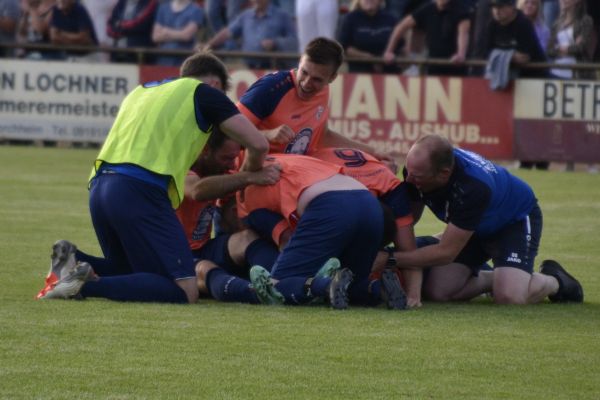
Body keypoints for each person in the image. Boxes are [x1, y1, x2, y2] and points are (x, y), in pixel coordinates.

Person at [37, 51, 269, 304]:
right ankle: (84, 285)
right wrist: (252, 176)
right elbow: (258, 144)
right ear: (215, 85)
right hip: (140, 188)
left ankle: (74, 259)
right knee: (185, 290)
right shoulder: (205, 94)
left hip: (100, 186)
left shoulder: (141, 92)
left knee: (129, 271)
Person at [386, 135, 584, 305]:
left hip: (513, 220)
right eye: (408, 172)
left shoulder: (472, 187)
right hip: (474, 227)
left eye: (417, 176)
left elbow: (446, 253)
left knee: (509, 297)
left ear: (444, 174)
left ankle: (555, 281)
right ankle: (497, 278)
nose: (409, 180)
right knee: (438, 292)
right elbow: (409, 220)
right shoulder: (416, 171)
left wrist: (389, 259)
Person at [239, 153, 407, 310]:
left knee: (277, 286)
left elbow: (287, 239)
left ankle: (326, 285)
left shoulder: (245, 200)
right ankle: (378, 288)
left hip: (330, 205)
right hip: (368, 201)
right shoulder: (285, 157)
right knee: (354, 282)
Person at [237, 36, 393, 164]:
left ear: (331, 78)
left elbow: (323, 136)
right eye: (304, 72)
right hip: (260, 169)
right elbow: (228, 133)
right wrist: (268, 134)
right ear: (300, 62)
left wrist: (373, 152)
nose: (306, 83)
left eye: (316, 79)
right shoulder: (271, 88)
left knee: (372, 168)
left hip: (299, 165)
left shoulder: (324, 90)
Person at [177, 131, 282, 304]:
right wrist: (250, 177)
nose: (232, 164)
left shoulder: (220, 171)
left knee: (247, 238)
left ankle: (287, 279)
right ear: (205, 150)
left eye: (234, 157)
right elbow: (196, 190)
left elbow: (232, 210)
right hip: (174, 254)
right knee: (204, 268)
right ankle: (258, 293)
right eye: (226, 158)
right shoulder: (180, 167)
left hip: (203, 247)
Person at [383, 0, 472, 76]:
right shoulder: (428, 9)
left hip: (455, 68)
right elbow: (401, 27)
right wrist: (389, 51)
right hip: (434, 67)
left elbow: (463, 34)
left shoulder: (461, 11)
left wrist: (460, 54)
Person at [202, 0, 297, 70]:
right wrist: (209, 44)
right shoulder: (245, 16)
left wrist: (276, 42)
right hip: (248, 68)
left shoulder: (282, 16)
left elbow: (294, 40)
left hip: (273, 68)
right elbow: (227, 32)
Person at [484, 0, 549, 79]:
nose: (496, 11)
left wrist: (499, 55)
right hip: (507, 76)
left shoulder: (523, 23)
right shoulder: (492, 25)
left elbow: (524, 58)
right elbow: (487, 53)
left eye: (500, 7)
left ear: (512, 7)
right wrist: (510, 56)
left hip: (534, 76)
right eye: (493, 7)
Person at [337, 0, 401, 74]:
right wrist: (371, 58)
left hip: (389, 73)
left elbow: (401, 47)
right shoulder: (350, 18)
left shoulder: (391, 19)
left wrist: (391, 55)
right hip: (359, 73)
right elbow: (344, 47)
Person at [546, 0, 595, 79]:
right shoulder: (557, 23)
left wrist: (559, 48)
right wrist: (570, 47)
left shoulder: (585, 20)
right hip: (556, 72)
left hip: (577, 73)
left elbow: (580, 48)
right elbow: (549, 50)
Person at [152, 0, 205, 66]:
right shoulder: (163, 8)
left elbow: (186, 36)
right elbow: (155, 37)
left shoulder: (197, 10)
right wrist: (179, 34)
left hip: (183, 61)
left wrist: (166, 32)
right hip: (162, 60)